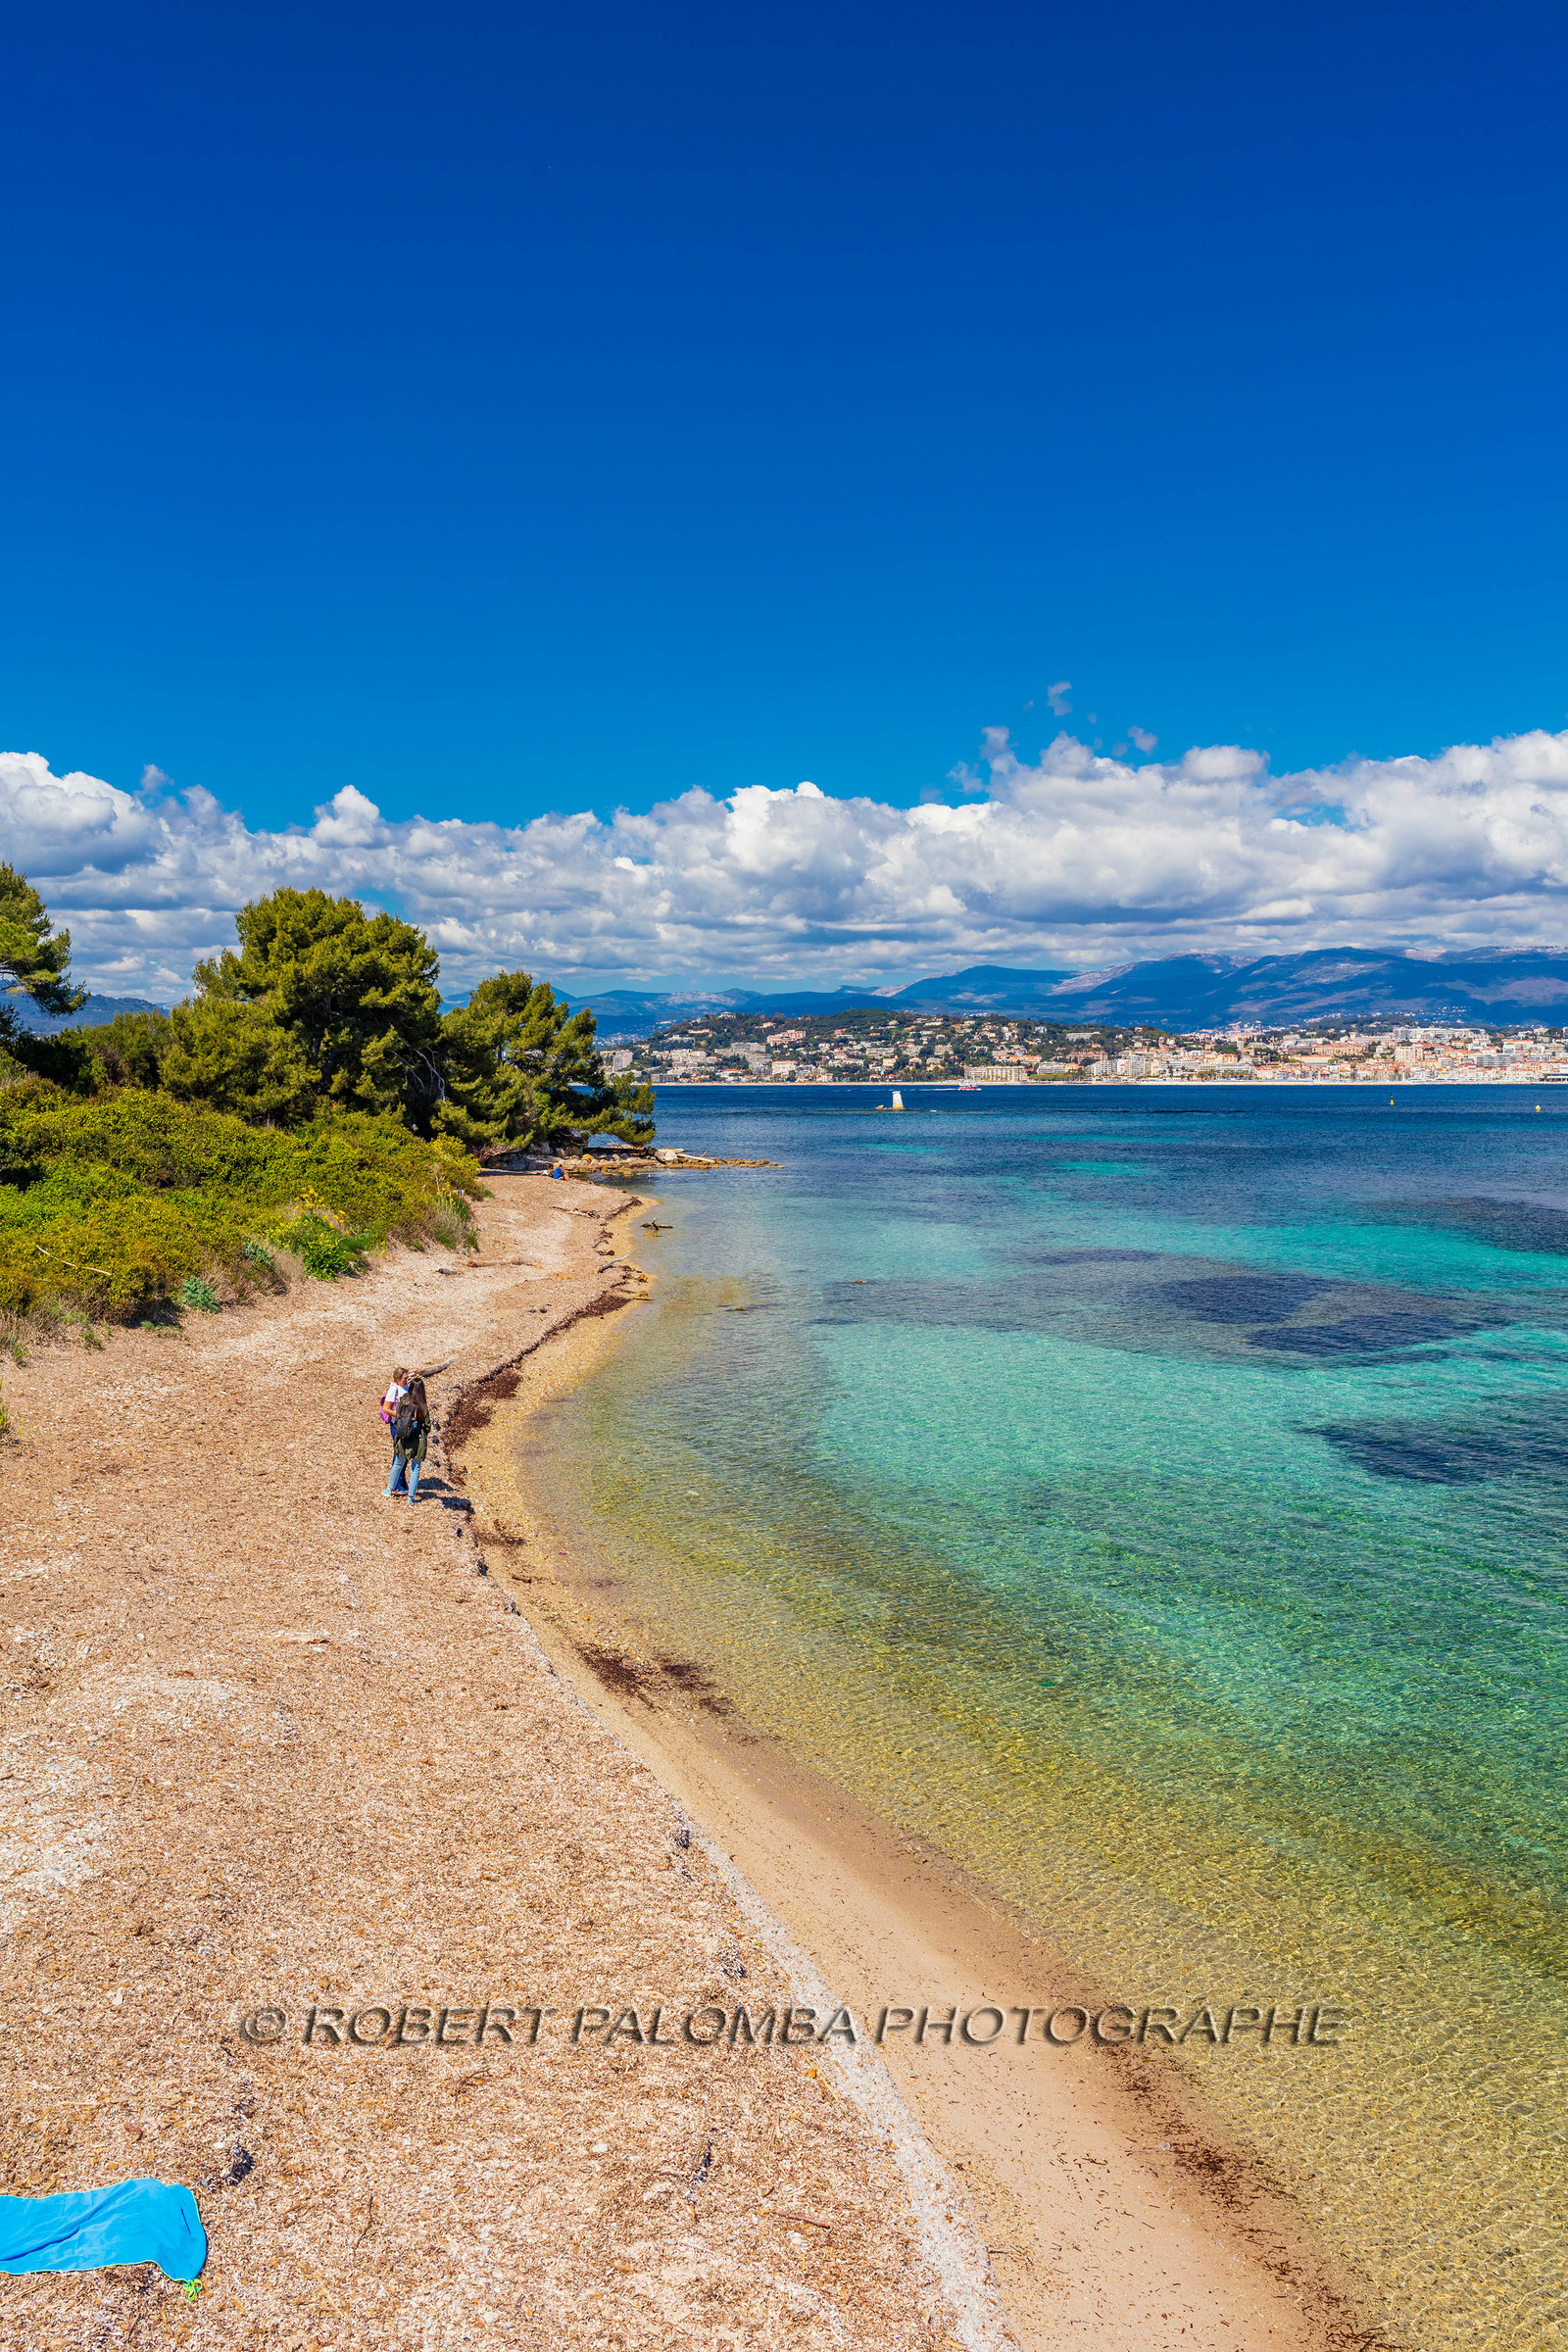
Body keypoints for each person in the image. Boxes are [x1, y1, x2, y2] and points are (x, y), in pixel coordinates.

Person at [386, 1375, 430, 1502]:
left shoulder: (403, 1401)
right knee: (415, 1468)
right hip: (418, 1440)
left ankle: (389, 1489)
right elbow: (427, 1425)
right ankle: (411, 1498)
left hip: (403, 1438)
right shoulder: (422, 1407)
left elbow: (398, 1417)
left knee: (398, 1463)